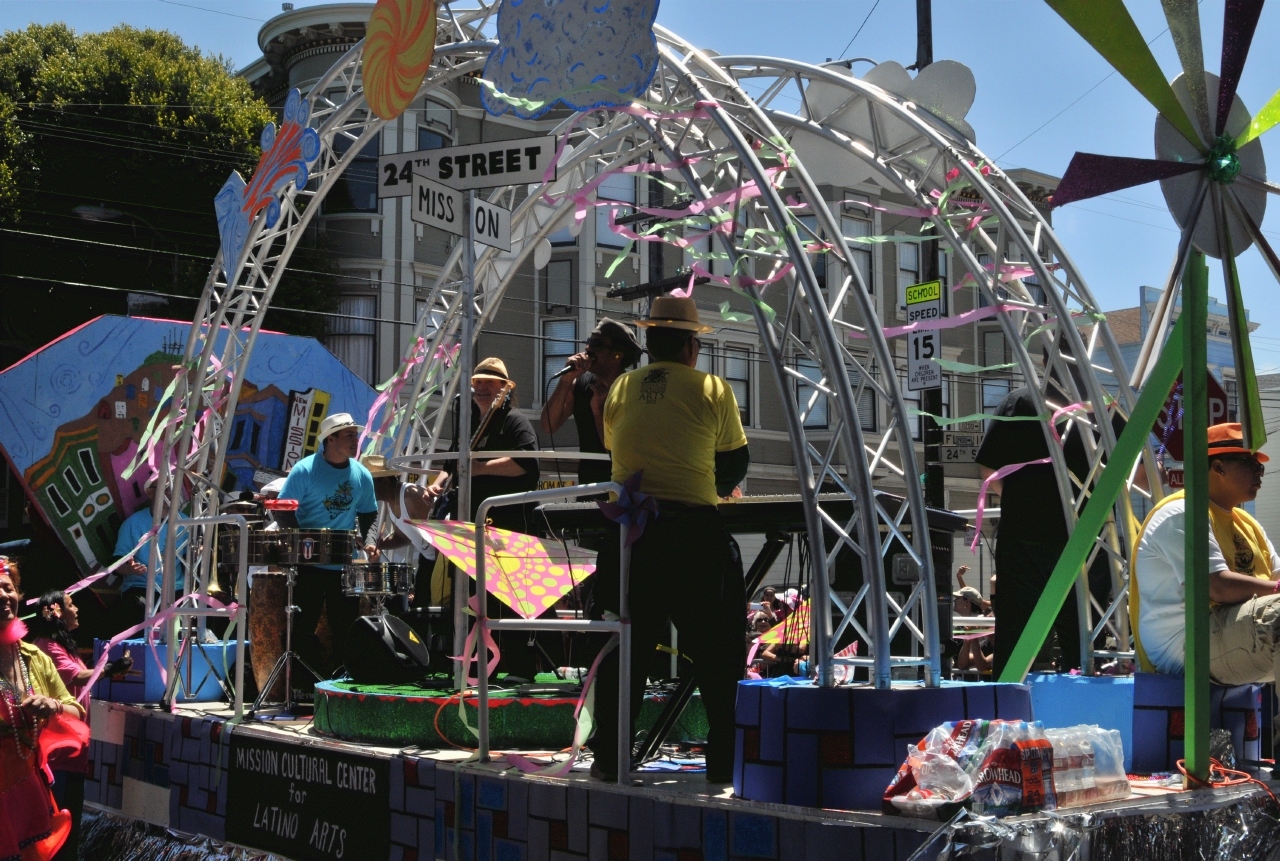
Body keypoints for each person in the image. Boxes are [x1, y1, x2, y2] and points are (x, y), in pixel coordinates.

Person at [589, 295, 750, 784]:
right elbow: (735, 464)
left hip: (631, 534)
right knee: (717, 649)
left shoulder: (620, 388)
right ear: (689, 346)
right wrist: (709, 485)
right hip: (691, 533)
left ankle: (609, 758)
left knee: (627, 647)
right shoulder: (712, 387)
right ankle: (723, 763)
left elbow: (617, 445)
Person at [975, 380, 1136, 677]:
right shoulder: (1104, 408)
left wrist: (1023, 501)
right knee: (1085, 648)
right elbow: (1134, 471)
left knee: (1015, 643)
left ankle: (1006, 711)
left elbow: (988, 468)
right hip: (1088, 542)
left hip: (1025, 538)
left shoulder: (1019, 402)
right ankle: (1084, 714)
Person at [1132, 423, 1280, 689]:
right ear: (1218, 467)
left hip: (1229, 628)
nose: (1260, 472)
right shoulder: (1182, 513)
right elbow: (1217, 587)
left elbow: (1275, 578)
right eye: (1250, 464)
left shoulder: (1248, 523)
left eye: (1260, 466)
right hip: (1186, 642)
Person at [425, 358, 544, 677]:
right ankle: (475, 668)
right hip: (472, 530)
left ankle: (518, 667)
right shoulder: (468, 427)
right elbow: (451, 465)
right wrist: (437, 485)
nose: (482, 387)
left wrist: (478, 467)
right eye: (479, 381)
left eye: (491, 382)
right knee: (473, 598)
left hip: (508, 528)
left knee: (510, 601)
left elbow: (527, 465)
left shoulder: (515, 421)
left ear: (505, 389)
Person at [277, 412, 379, 679]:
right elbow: (283, 509)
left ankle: (342, 683)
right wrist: (300, 541)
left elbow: (369, 513)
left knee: (345, 627)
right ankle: (302, 685)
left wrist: (369, 541)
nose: (355, 441)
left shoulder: (362, 474)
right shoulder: (305, 469)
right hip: (308, 564)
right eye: (349, 435)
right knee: (302, 626)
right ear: (330, 439)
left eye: (355, 435)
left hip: (343, 564)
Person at [0, 561, 85, 861]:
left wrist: (54, 706)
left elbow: (77, 712)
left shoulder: (35, 657)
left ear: (19, 595)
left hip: (28, 793)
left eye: (8, 589)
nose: (2, 596)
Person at [540, 318, 643, 486]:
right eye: (589, 341)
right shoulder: (579, 384)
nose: (588, 348)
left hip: (621, 490)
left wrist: (599, 411)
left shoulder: (630, 389)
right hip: (587, 488)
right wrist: (565, 381)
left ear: (617, 355)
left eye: (597, 344)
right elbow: (548, 426)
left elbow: (617, 453)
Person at [107, 476, 188, 632]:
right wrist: (129, 569)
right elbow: (116, 564)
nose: (171, 493)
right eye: (165, 489)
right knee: (134, 609)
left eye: (174, 489)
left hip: (176, 590)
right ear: (150, 493)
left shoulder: (186, 523)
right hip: (141, 588)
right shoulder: (133, 523)